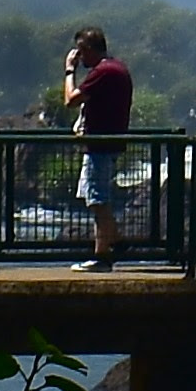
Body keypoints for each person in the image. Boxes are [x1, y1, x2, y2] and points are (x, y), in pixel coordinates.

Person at [58, 23, 136, 270]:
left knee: (98, 200)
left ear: (91, 49)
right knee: (94, 197)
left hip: (100, 145)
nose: (80, 58)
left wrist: (69, 72)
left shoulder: (105, 71)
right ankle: (117, 240)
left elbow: (70, 100)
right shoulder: (117, 68)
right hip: (105, 143)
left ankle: (102, 258)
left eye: (81, 51)